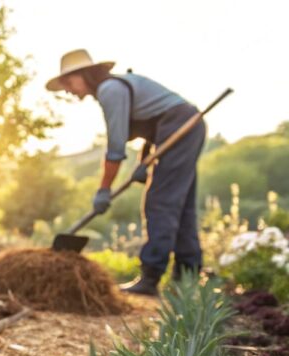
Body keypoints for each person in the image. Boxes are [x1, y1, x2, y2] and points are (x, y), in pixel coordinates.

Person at [46, 49, 206, 296]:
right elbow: (153, 123)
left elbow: (115, 148)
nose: (67, 90)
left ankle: (150, 277)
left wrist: (103, 189)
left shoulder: (110, 90)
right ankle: (188, 275)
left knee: (160, 202)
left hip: (180, 126)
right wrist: (143, 161)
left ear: (83, 74)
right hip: (184, 126)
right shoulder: (115, 87)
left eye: (68, 82)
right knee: (180, 204)